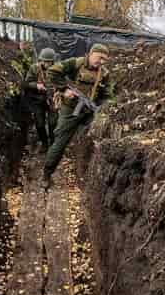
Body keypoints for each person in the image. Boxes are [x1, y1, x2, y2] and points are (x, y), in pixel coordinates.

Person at [42, 43, 113, 188]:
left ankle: (88, 173)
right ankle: (46, 175)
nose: (102, 62)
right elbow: (53, 72)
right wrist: (63, 89)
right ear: (91, 53)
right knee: (60, 143)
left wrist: (103, 108)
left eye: (105, 59)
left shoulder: (104, 73)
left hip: (89, 112)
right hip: (70, 110)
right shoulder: (76, 63)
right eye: (100, 58)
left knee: (96, 139)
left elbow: (107, 95)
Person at [23, 47, 57, 152]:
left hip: (52, 100)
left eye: (49, 61)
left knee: (53, 123)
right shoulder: (34, 68)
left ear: (52, 61)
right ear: (41, 60)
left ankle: (53, 143)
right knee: (40, 123)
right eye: (45, 61)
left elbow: (63, 82)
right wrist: (37, 86)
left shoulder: (57, 69)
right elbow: (26, 83)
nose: (47, 63)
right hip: (38, 100)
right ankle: (44, 143)